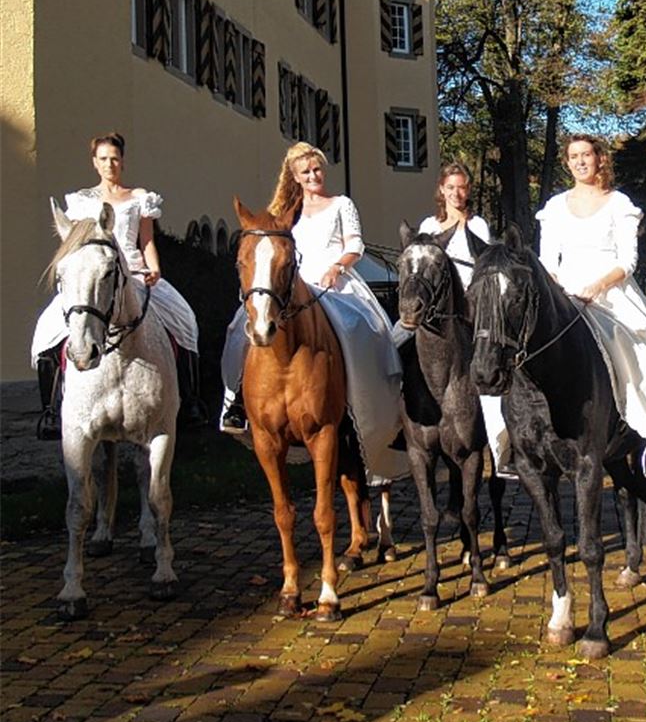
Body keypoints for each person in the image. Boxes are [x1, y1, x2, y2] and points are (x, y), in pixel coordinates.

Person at [219, 143, 408, 482]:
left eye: (317, 169)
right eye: (305, 172)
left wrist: (337, 267)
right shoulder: (282, 211)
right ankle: (235, 402)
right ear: (294, 176)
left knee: (361, 328)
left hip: (333, 279)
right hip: (289, 283)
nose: (313, 176)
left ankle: (365, 401)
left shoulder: (340, 204)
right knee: (239, 327)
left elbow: (355, 246)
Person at [31, 133, 202, 439]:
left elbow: (146, 240)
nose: (109, 164)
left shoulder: (139, 198)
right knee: (45, 331)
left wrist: (155, 268)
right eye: (103, 159)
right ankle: (52, 410)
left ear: (122, 161)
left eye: (115, 158)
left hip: (134, 273)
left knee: (185, 319)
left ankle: (189, 402)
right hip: (93, 279)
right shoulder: (80, 202)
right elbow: (72, 246)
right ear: (94, 163)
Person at [535, 134, 646, 483]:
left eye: (587, 154)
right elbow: (547, 260)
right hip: (563, 291)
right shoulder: (555, 207)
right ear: (567, 163)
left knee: (641, 347)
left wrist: (597, 287)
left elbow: (627, 260)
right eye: (574, 156)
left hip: (611, 290)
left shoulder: (619, 204)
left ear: (600, 159)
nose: (581, 161)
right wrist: (558, 292)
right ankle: (515, 439)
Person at [416, 162, 515, 478]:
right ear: (441, 190)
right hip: (434, 311)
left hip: (470, 309)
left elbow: (481, 270)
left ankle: (504, 435)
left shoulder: (479, 225)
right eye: (451, 187)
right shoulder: (428, 226)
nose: (457, 193)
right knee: (395, 340)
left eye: (462, 187)